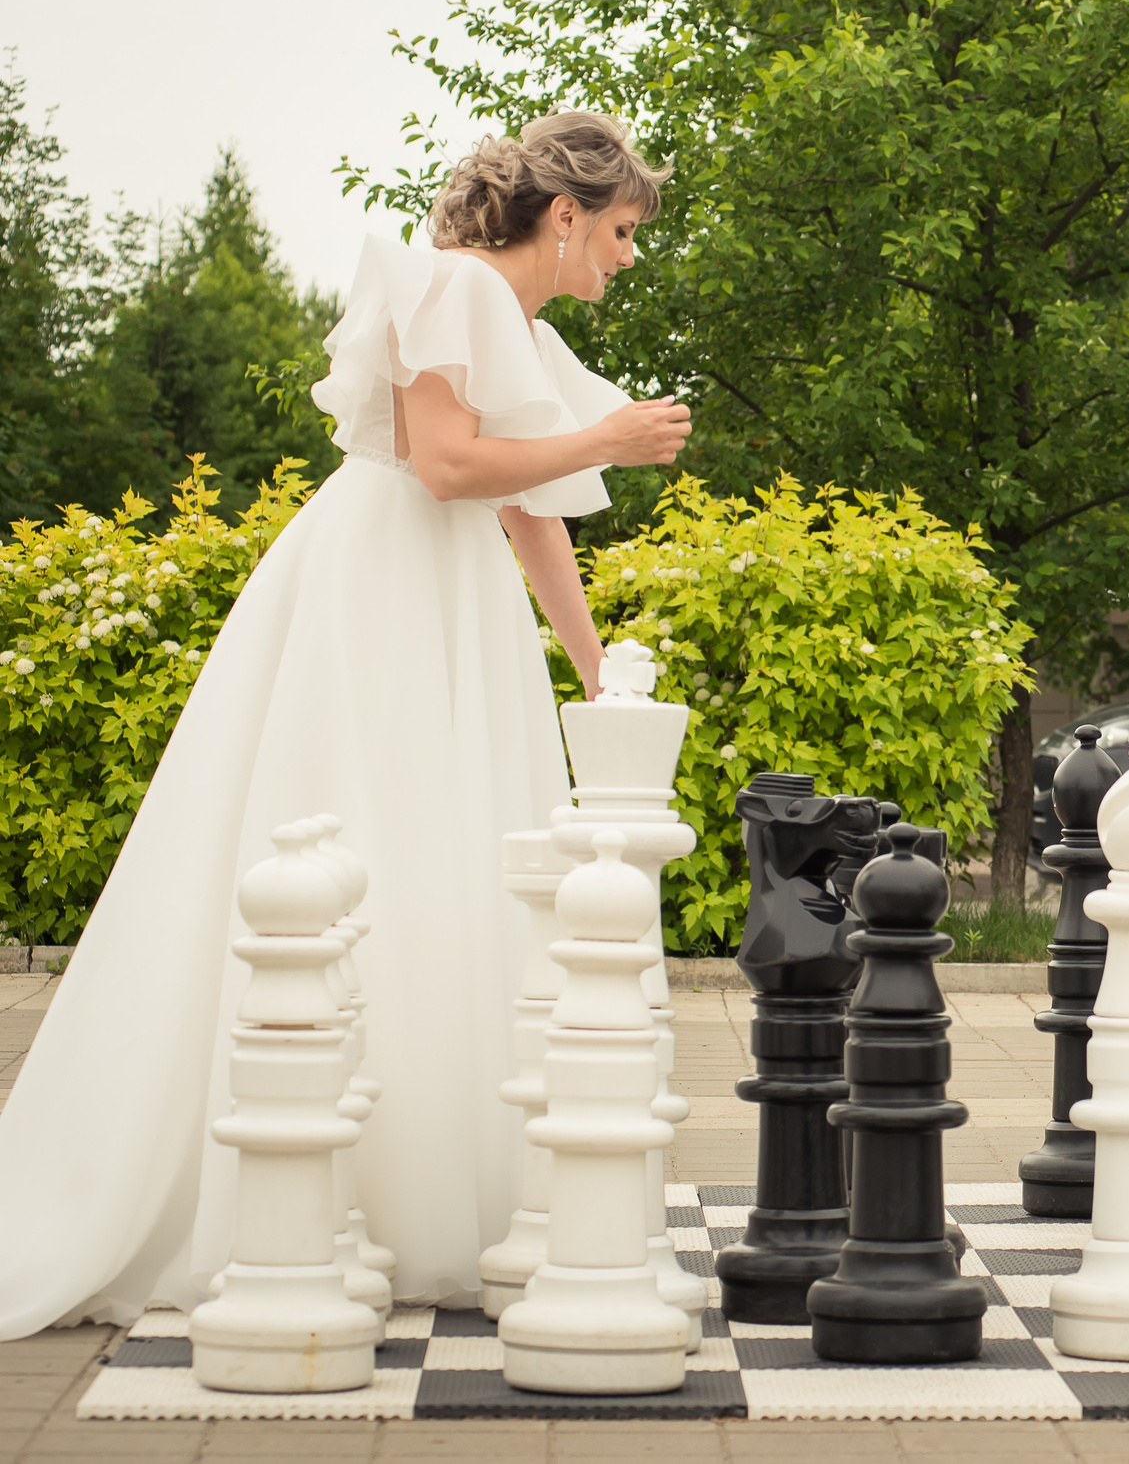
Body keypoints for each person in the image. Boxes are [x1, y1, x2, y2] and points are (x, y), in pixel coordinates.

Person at [0, 112, 694, 1337]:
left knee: (451, 855)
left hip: (456, 597)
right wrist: (615, 438)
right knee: (368, 831)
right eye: (626, 230)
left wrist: (594, 673)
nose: (629, 257)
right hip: (383, 581)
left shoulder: (516, 325)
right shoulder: (449, 288)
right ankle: (311, 1191)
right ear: (568, 214)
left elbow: (531, 505)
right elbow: (442, 464)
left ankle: (432, 1185)